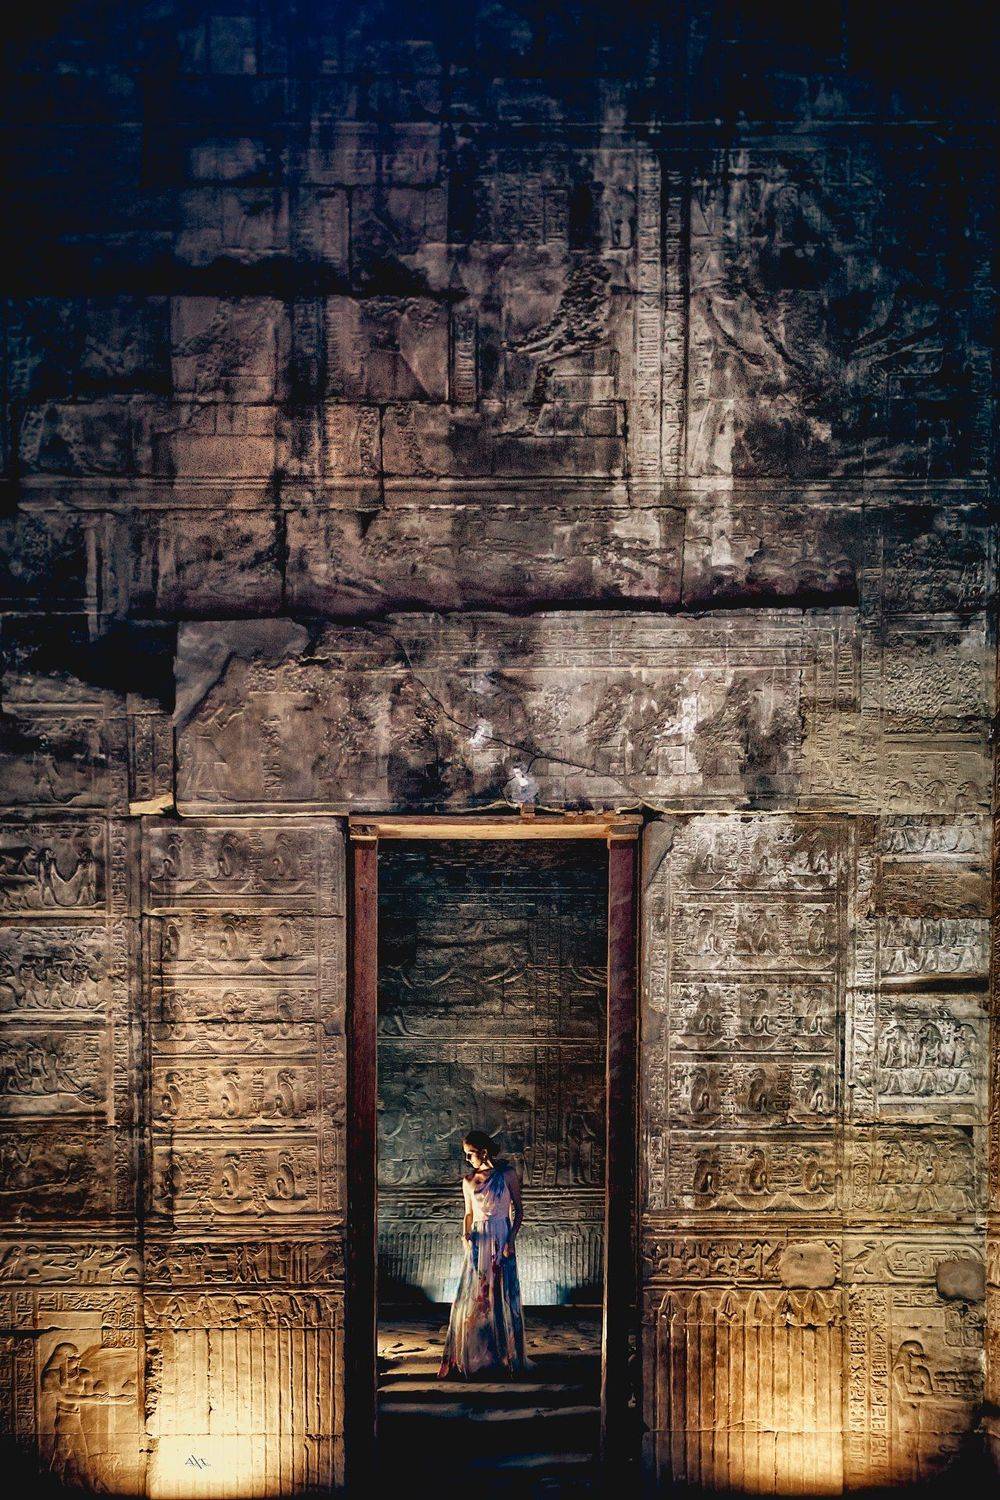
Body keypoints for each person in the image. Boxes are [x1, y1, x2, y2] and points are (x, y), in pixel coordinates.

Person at [438, 1129, 527, 1379]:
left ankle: (504, 1354)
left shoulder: (507, 1174)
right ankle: (478, 1354)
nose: (467, 1159)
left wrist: (510, 1239)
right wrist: (464, 1235)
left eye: (470, 1154)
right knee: (476, 1297)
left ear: (483, 1152)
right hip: (478, 1241)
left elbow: (518, 1211)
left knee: (501, 1295)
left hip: (501, 1237)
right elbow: (468, 1214)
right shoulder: (468, 1181)